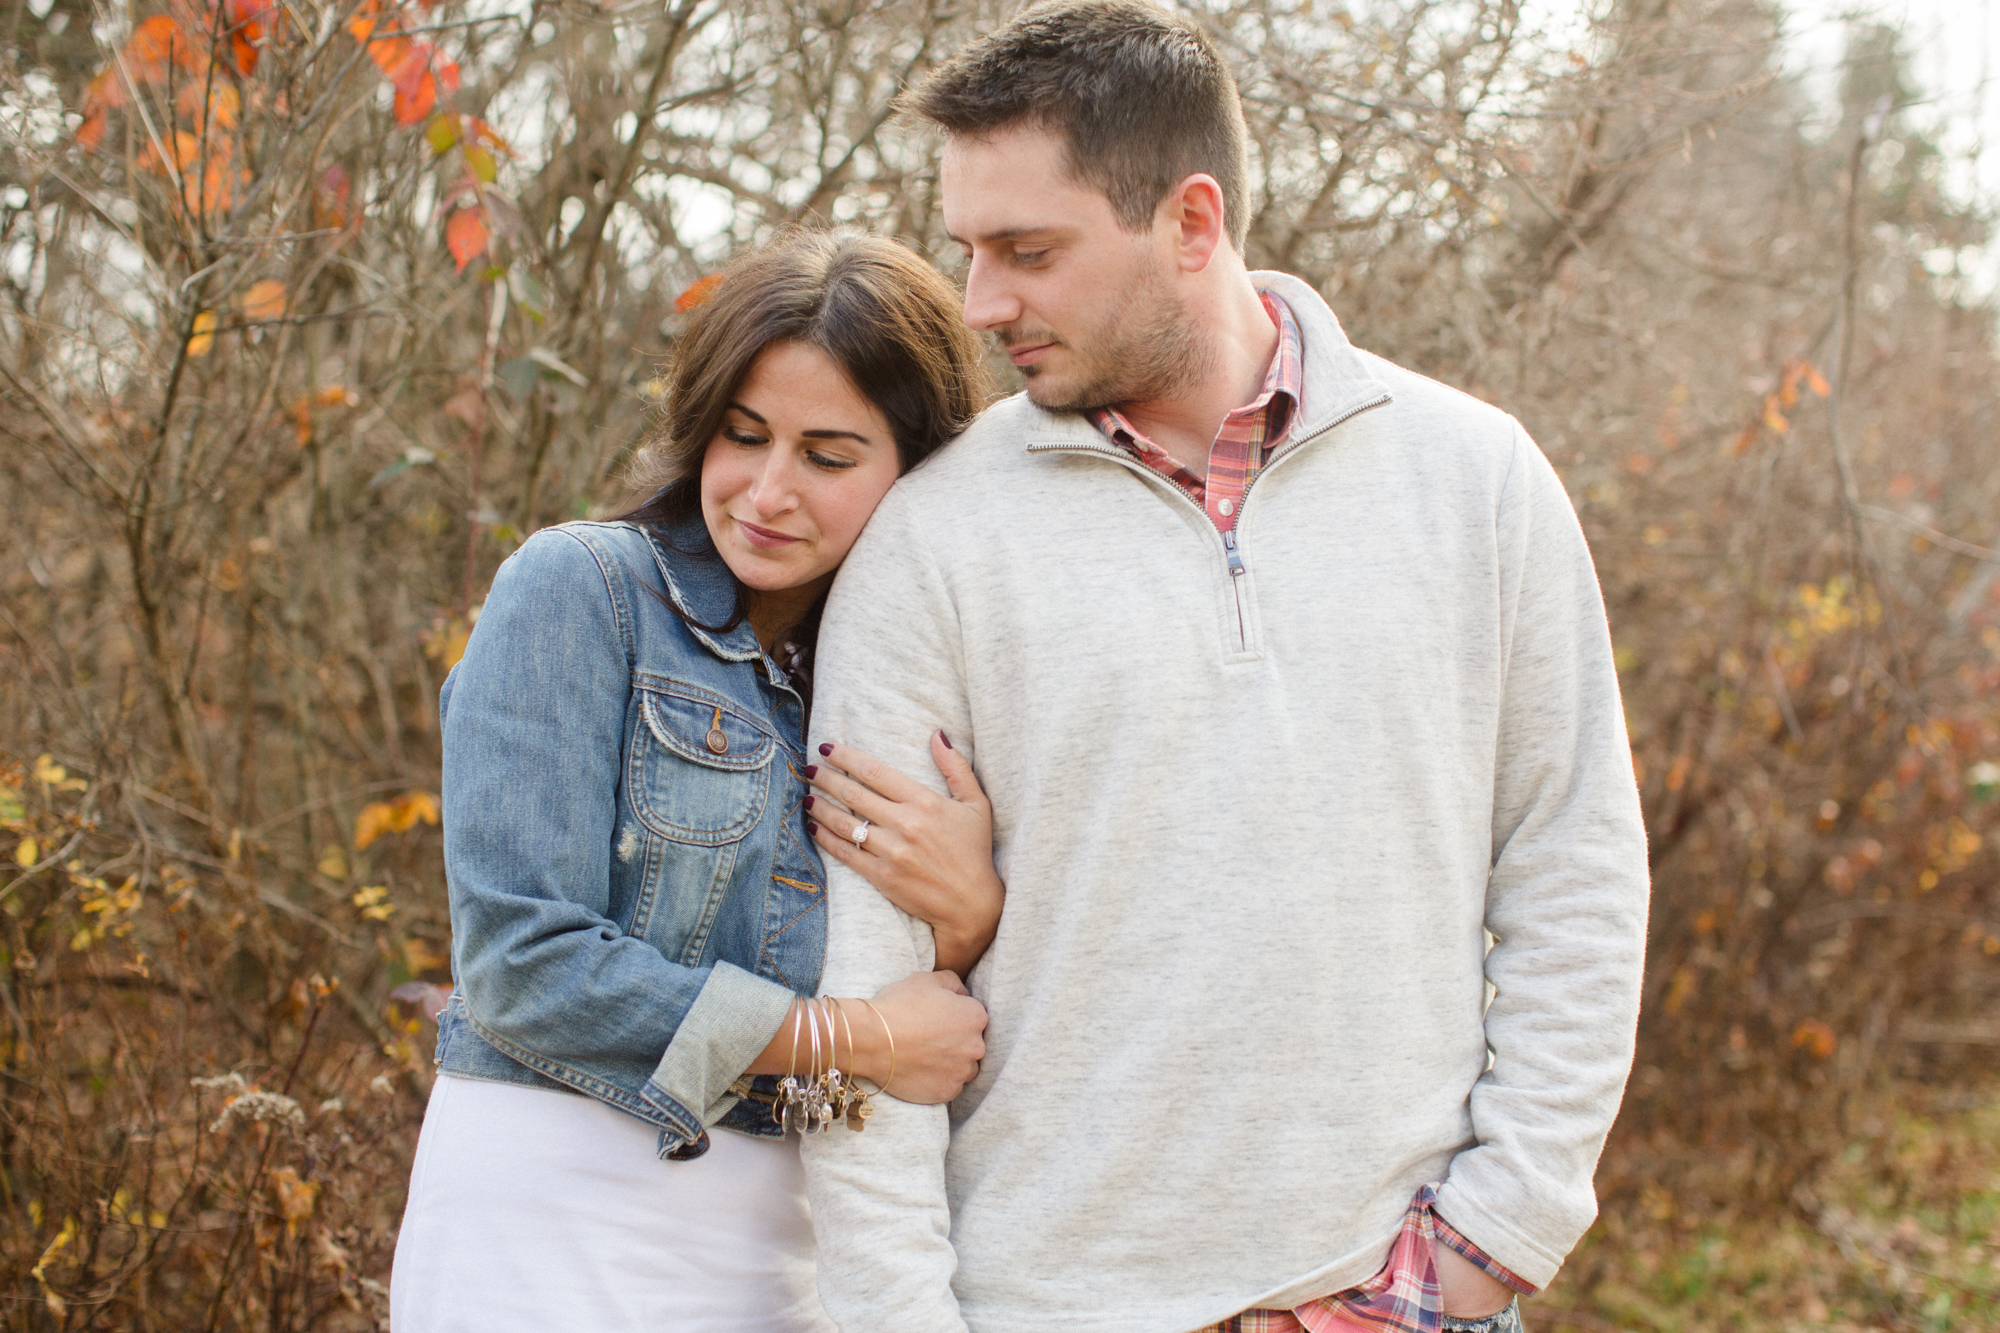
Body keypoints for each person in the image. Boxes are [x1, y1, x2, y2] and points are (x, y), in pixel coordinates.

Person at [795, 4, 1652, 1331]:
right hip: (1047, 1301)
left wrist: (1501, 1229)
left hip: (1391, 1295)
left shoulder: (1477, 482)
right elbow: (863, 989)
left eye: (1028, 250)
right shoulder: (932, 540)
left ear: (1194, 224)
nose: (980, 303)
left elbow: (1574, 861)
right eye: (969, 251)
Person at [389, 232, 1001, 1333]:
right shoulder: (582, 591)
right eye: (743, 434)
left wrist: (969, 915)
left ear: (913, 473)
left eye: (827, 455)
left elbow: (937, 1026)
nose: (769, 491)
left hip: (798, 1233)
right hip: (554, 1200)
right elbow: (525, 964)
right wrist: (844, 1037)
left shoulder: (900, 683)